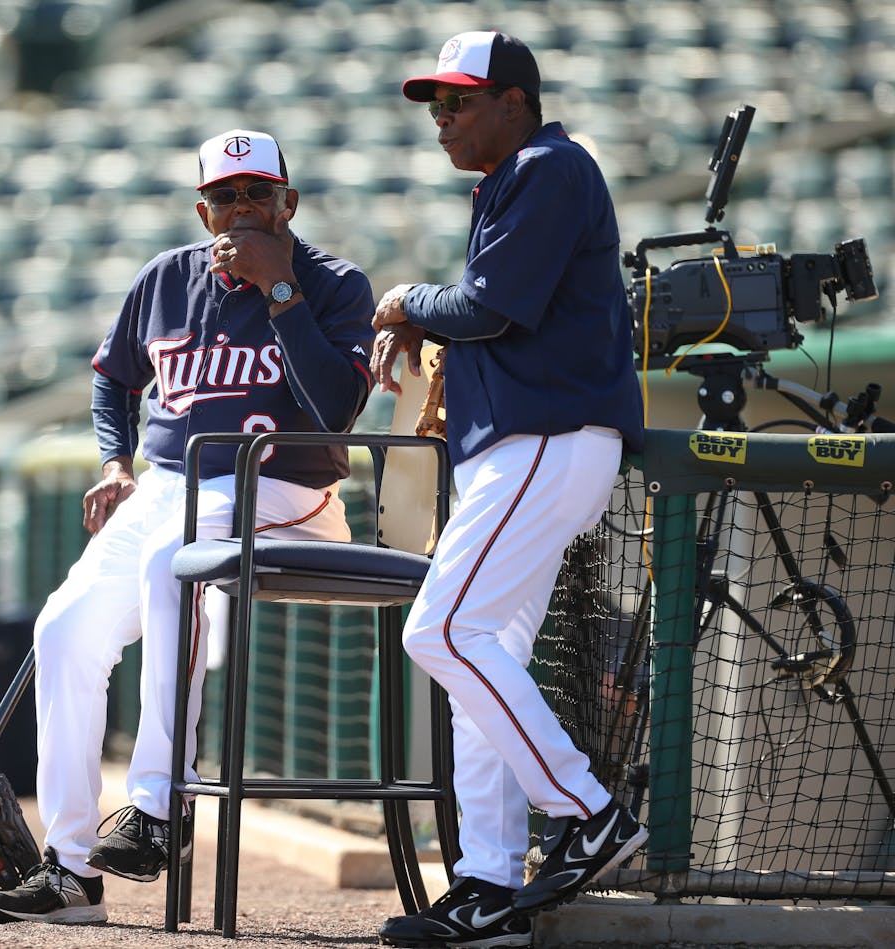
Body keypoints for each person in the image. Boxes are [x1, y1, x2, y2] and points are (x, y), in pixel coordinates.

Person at [0, 129, 377, 925]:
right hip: (167, 485)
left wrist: (281, 293)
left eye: (258, 194)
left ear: (287, 202)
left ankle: (160, 809)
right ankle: (71, 869)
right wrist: (113, 463)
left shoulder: (335, 284)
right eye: (225, 196)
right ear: (203, 210)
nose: (242, 209)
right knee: (63, 627)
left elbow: (338, 409)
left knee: (174, 558)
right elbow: (111, 378)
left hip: (285, 488)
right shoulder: (165, 279)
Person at [369, 31, 647, 949]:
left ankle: (590, 811)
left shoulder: (549, 165)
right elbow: (494, 313)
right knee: (479, 659)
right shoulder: (517, 175)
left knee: (440, 629)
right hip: (521, 449)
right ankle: (489, 886)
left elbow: (490, 305)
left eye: (459, 100)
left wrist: (410, 298)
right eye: (435, 105)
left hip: (548, 442)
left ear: (515, 101)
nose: (442, 118)